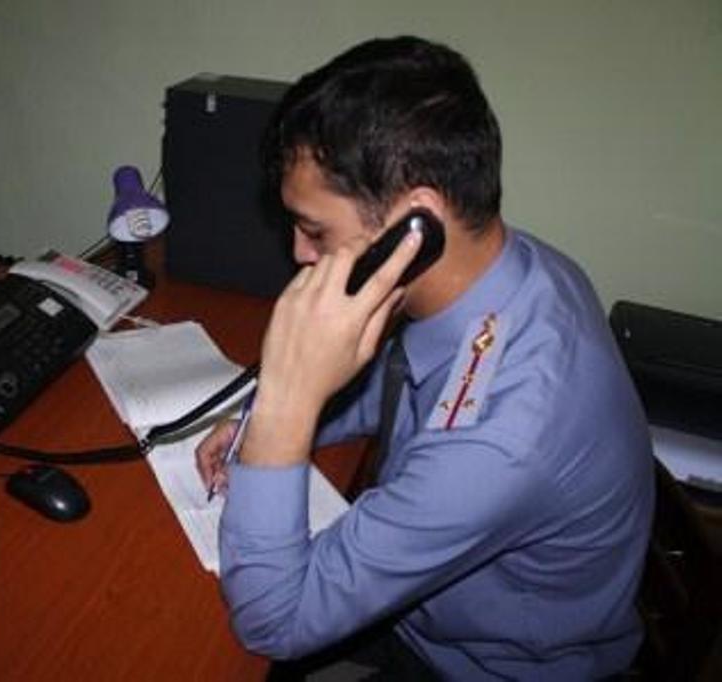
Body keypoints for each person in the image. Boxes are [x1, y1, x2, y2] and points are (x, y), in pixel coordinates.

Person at [195, 36, 654, 680]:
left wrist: (286, 408)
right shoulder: (517, 271)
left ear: (417, 225)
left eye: (316, 230)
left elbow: (274, 621)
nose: (299, 252)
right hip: (431, 611)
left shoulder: (505, 436)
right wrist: (262, 424)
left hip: (471, 665)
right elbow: (404, 384)